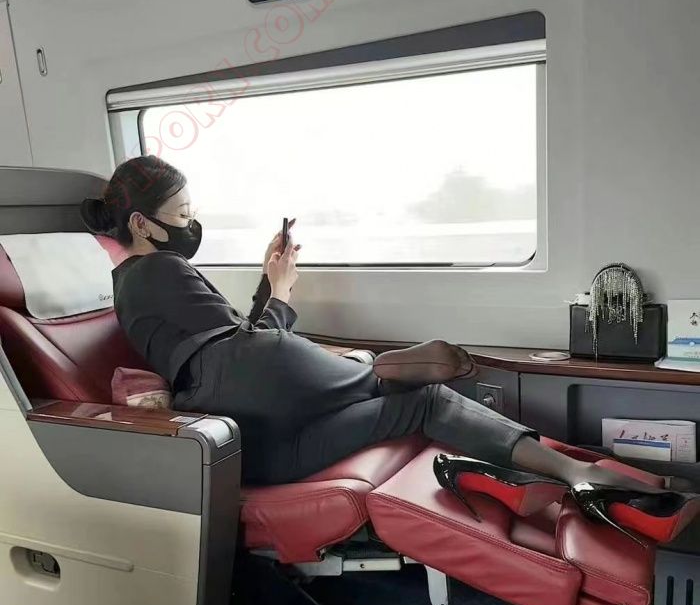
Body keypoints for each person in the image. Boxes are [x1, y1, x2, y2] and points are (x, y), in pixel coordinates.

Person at [81, 155, 654, 491]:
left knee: (424, 403)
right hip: (251, 384)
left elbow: (234, 341)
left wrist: (272, 287)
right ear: (141, 224)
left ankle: (569, 471)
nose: (191, 225)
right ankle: (377, 367)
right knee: (401, 386)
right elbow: (245, 349)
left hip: (259, 445)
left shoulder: (133, 284)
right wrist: (278, 294)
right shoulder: (158, 268)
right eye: (182, 215)